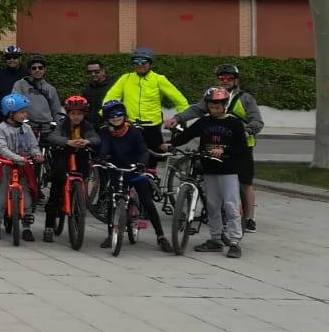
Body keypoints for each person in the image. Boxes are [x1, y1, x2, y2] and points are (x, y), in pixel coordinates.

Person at [174, 65, 263, 232]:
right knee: (211, 178)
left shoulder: (245, 98)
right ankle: (214, 213)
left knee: (245, 182)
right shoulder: (213, 96)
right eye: (222, 78)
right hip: (215, 145)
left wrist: (246, 131)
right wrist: (178, 118)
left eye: (229, 78)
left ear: (236, 80)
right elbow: (197, 109)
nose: (225, 81)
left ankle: (249, 218)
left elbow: (257, 121)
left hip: (241, 146)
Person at [171, 86, 248, 258]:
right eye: (211, 107)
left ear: (225, 105)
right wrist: (171, 144)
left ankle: (234, 242)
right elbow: (188, 134)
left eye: (217, 107)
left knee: (230, 205)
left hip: (227, 169)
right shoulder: (204, 121)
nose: (214, 110)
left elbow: (241, 147)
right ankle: (215, 239)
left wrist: (224, 151)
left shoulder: (234, 123)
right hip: (209, 169)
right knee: (212, 206)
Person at [95, 100, 169, 252]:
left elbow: (143, 150)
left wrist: (142, 163)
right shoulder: (106, 132)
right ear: (107, 119)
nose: (116, 117)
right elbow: (104, 147)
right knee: (112, 200)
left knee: (147, 201)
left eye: (119, 114)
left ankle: (161, 236)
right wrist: (101, 158)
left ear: (125, 115)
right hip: (116, 169)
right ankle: (111, 234)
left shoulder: (134, 131)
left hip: (135, 169)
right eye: (111, 115)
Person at [105, 47, 188, 150]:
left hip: (152, 128)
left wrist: (182, 120)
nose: (140, 64)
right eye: (136, 61)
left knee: (155, 155)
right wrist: (107, 119)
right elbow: (109, 99)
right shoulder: (125, 79)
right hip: (129, 126)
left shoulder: (159, 79)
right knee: (127, 155)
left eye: (144, 61)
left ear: (151, 64)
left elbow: (180, 101)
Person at [42, 96, 99, 242]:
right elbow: (53, 137)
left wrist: (87, 141)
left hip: (80, 158)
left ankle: (77, 204)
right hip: (63, 156)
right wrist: (67, 142)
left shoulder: (87, 126)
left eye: (79, 114)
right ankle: (49, 226)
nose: (76, 117)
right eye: (73, 114)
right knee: (56, 190)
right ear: (68, 114)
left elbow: (96, 138)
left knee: (82, 176)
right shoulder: (62, 125)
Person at [0, 93, 43, 240]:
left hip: (24, 165)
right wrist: (18, 158)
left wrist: (37, 155)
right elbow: (2, 148)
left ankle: (26, 227)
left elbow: (33, 146)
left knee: (27, 194)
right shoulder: (0, 128)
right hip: (6, 164)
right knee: (1, 196)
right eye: (22, 112)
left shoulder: (27, 128)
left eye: (25, 112)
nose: (25, 115)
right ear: (10, 113)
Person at [15, 57, 63, 130]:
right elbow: (16, 105)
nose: (37, 70)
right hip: (27, 126)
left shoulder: (51, 88)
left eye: (40, 68)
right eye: (34, 68)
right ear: (29, 70)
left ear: (44, 69)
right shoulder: (20, 84)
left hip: (47, 127)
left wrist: (57, 126)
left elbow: (56, 110)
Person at [0, 45, 27, 112]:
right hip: (5, 111)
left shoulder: (27, 74)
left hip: (22, 111)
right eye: (8, 58)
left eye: (15, 57)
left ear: (20, 58)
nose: (11, 60)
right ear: (5, 59)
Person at [79, 59, 112, 124]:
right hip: (90, 126)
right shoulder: (86, 90)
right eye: (90, 72)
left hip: (107, 125)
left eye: (96, 71)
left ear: (103, 71)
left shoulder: (113, 87)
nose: (93, 74)